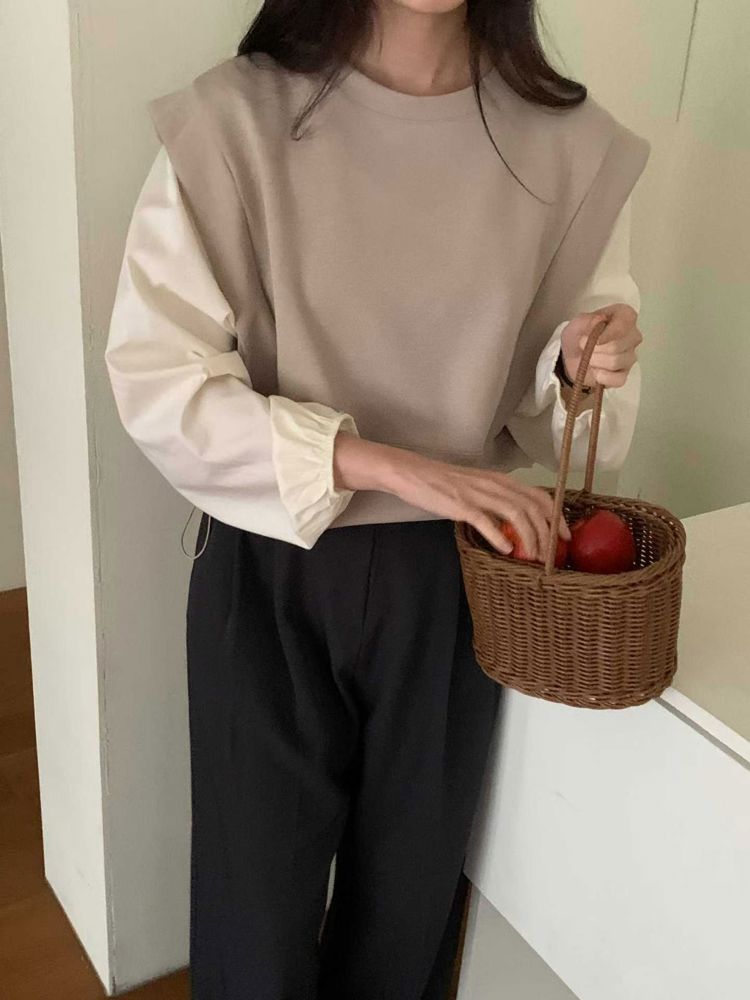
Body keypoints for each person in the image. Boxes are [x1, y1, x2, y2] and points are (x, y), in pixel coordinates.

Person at [105, 2, 649, 997]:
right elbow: (159, 382)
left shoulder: (569, 146)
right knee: (252, 926)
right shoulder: (236, 119)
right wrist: (392, 465)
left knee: (406, 920)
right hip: (271, 562)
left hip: (460, 582)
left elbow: (580, 423)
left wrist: (578, 364)